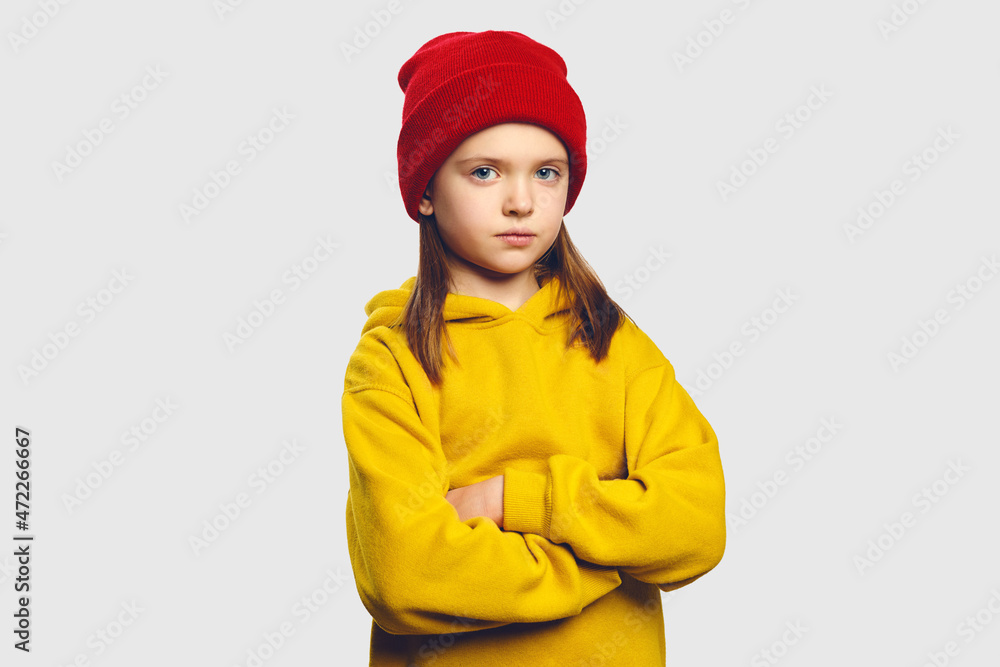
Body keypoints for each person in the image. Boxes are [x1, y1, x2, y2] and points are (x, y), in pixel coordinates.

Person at [342, 30, 726, 666]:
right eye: (485, 171)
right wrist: (611, 563)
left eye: (546, 172)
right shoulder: (391, 362)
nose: (521, 201)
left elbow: (696, 525)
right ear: (427, 191)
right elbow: (406, 576)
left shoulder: (615, 343)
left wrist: (512, 501)